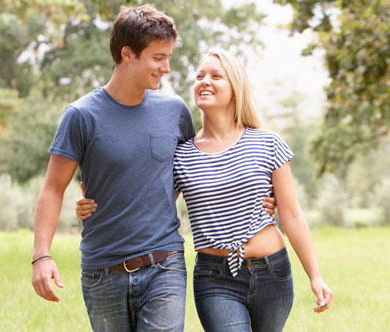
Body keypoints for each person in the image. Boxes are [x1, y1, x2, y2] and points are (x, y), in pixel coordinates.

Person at [30, 5, 275, 332]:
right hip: (101, 270)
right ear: (128, 54)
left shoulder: (174, 111)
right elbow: (52, 188)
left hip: (165, 264)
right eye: (158, 58)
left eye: (168, 57)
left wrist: (259, 199)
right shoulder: (81, 115)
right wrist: (41, 256)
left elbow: (200, 168)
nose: (167, 68)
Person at [77, 48, 333, 332]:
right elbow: (148, 199)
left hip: (273, 271)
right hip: (215, 277)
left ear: (235, 88)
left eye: (215, 76)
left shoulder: (267, 143)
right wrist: (94, 204)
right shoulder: (182, 154)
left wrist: (315, 276)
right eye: (199, 76)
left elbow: (293, 215)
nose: (204, 81)